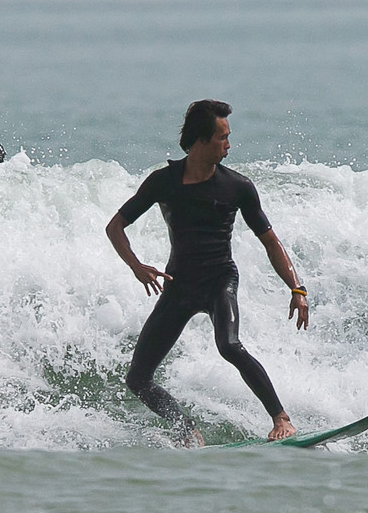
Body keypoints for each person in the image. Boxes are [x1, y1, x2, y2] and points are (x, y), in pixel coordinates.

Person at [105, 99, 308, 445]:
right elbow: (115, 226)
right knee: (138, 379)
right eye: (222, 137)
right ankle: (187, 429)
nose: (229, 144)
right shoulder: (163, 182)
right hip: (179, 285)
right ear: (201, 139)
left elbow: (270, 241)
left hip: (219, 280)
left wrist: (297, 289)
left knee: (229, 345)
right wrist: (137, 266)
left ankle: (281, 418)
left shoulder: (237, 186)